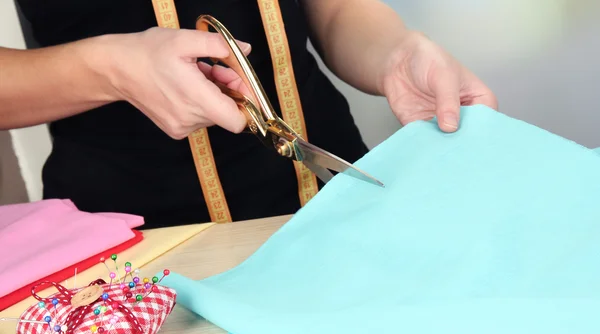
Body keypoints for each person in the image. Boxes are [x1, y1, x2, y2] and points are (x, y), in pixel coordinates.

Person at [1, 0, 497, 229]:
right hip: (132, 238)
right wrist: (107, 69)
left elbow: (336, 8)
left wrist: (394, 52)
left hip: (339, 200)